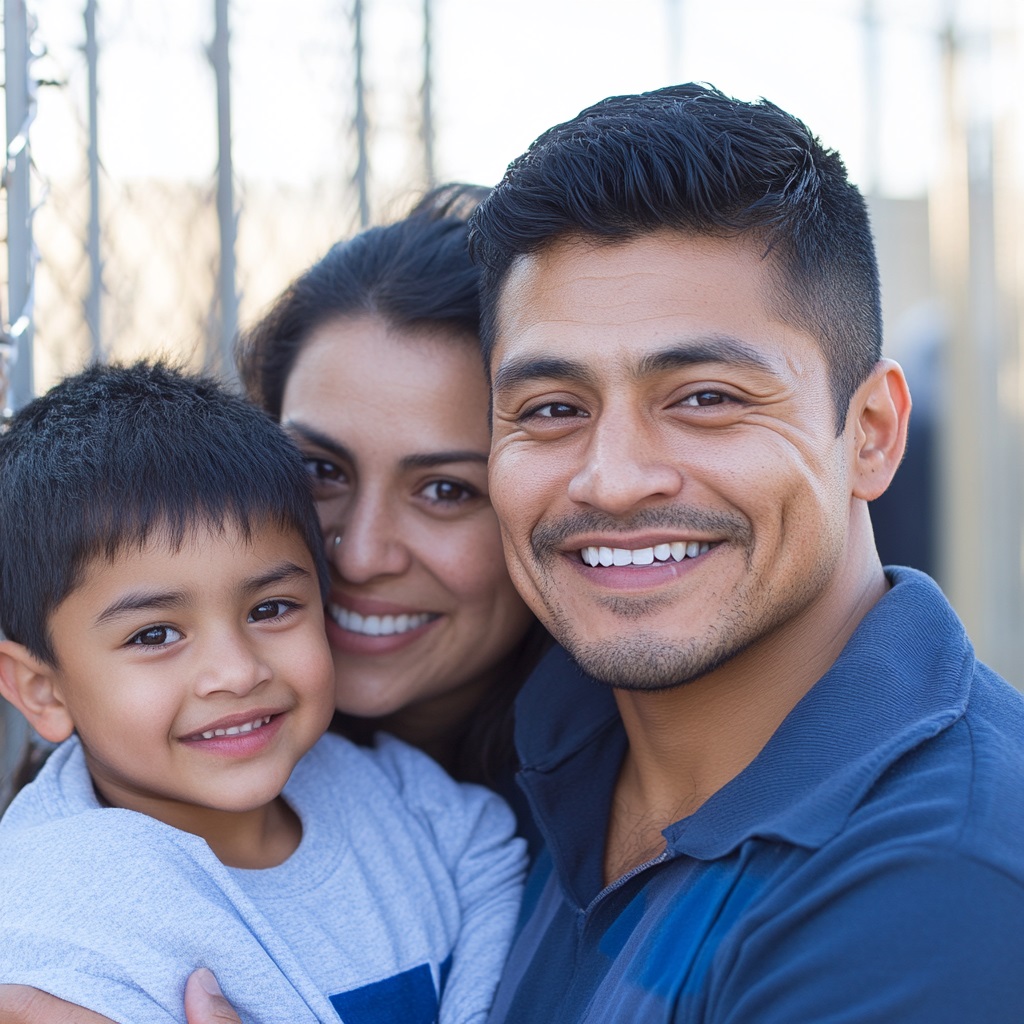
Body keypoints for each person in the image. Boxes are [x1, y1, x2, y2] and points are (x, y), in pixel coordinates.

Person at [185, 81, 1024, 1023]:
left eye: (705, 397)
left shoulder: (937, 880)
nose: (614, 480)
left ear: (869, 431)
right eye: (553, 410)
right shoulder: (554, 769)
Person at [0, 362, 525, 1023]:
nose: (238, 671)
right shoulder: (53, 931)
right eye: (156, 634)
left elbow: (489, 861)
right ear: (42, 689)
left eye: (270, 609)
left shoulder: (406, 804)